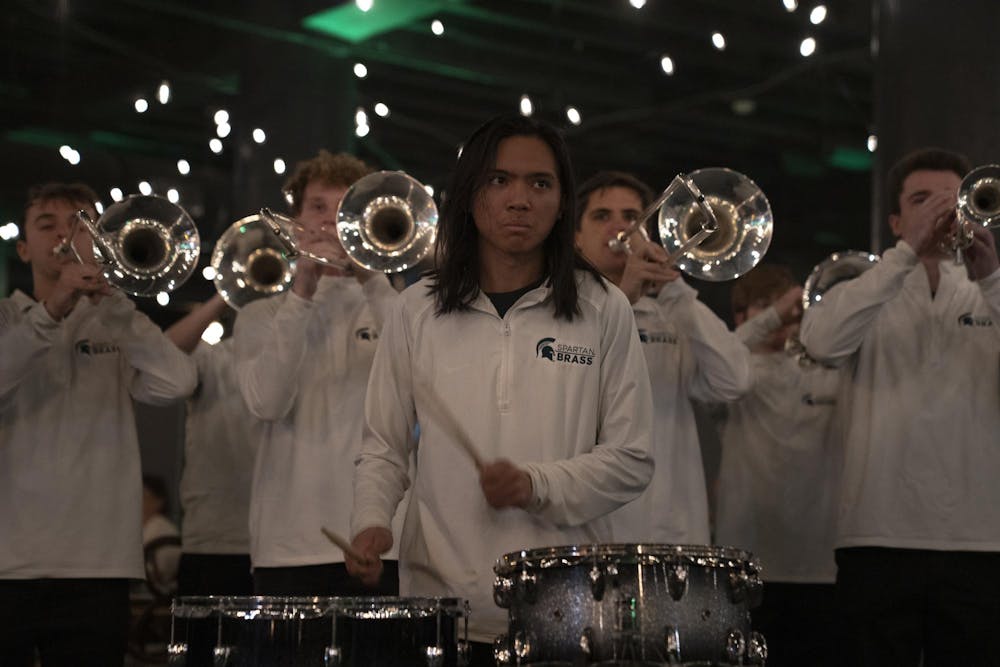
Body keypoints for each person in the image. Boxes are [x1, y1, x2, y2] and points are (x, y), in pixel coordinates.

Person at [346, 114, 655, 664]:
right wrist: (371, 522)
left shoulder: (604, 307)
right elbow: (384, 446)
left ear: (561, 203)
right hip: (439, 611)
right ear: (470, 196)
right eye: (499, 180)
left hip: (565, 612)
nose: (520, 199)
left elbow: (632, 459)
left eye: (540, 183)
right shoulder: (416, 309)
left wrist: (535, 484)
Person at [799, 148, 1000, 666]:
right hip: (877, 534)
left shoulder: (989, 290)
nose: (941, 211)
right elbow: (820, 343)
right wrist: (905, 255)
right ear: (894, 221)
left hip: (980, 539)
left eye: (952, 199)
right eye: (922, 200)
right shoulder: (867, 288)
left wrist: (992, 280)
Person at [0, 182, 197, 666]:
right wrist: (53, 308)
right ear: (23, 248)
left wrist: (113, 305)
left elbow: (178, 382)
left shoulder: (116, 322)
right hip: (8, 562)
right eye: (47, 225)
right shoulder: (6, 317)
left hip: (100, 563)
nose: (64, 236)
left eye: (80, 224)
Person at [233, 150, 403, 596]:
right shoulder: (259, 315)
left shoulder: (396, 305)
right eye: (318, 207)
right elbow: (267, 403)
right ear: (295, 222)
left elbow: (419, 380)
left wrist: (370, 276)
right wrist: (303, 288)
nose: (330, 220)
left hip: (384, 539)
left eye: (345, 207)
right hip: (287, 546)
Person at [574, 170, 750, 544]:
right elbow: (574, 386)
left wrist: (674, 288)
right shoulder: (560, 312)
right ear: (576, 237)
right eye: (602, 216)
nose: (620, 228)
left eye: (631, 217)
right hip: (592, 531)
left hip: (674, 532)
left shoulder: (674, 312)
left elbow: (734, 381)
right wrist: (624, 296)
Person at [714, 264, 843, 667]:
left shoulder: (826, 372)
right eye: (764, 304)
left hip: (822, 565)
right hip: (746, 563)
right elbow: (718, 355)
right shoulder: (732, 376)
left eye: (788, 306)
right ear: (741, 315)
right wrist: (774, 314)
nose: (785, 314)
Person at [166, 294, 256, 596]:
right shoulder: (213, 357)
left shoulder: (300, 356)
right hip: (215, 537)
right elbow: (164, 351)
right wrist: (225, 294)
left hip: (284, 540)